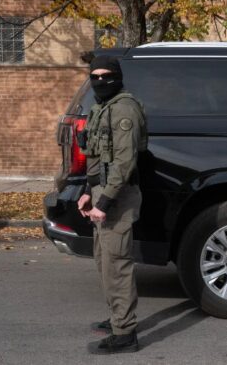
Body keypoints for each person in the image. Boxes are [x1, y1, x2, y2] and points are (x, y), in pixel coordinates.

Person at [76, 55, 148, 354]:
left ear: (118, 77)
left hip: (117, 199)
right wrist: (87, 191)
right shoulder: (101, 108)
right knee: (104, 262)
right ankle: (118, 317)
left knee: (117, 266)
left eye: (107, 75)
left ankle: (125, 334)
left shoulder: (123, 110)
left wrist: (103, 202)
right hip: (102, 196)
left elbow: (123, 163)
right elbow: (97, 158)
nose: (100, 81)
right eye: (95, 76)